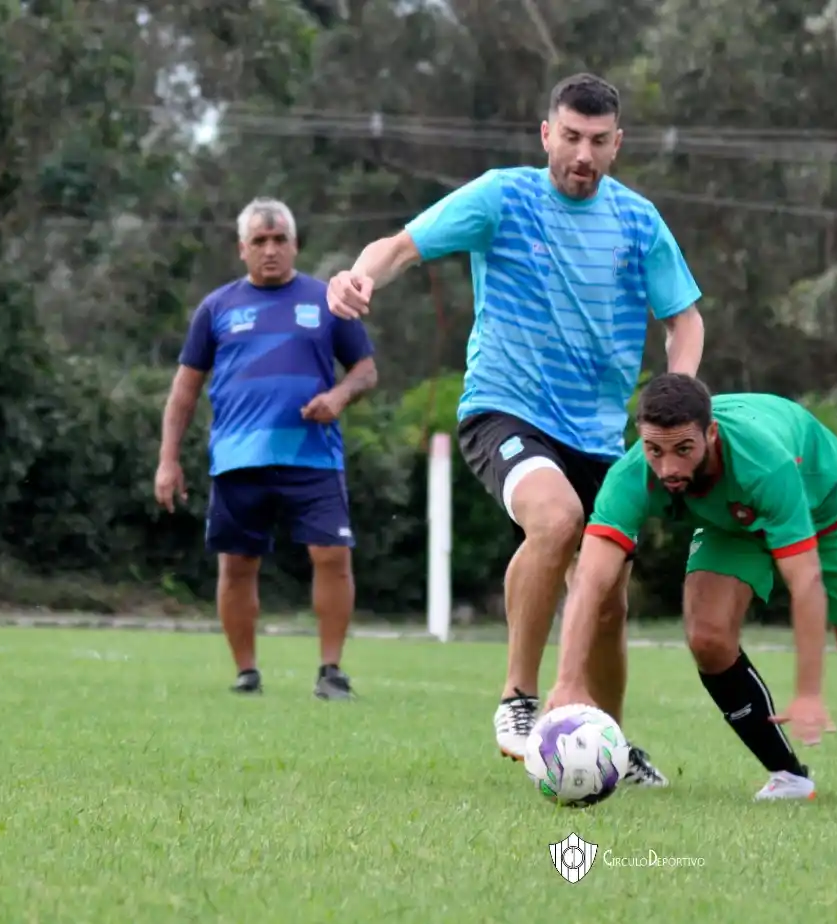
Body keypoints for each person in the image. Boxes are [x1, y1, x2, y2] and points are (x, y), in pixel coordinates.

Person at [326, 73, 703, 784]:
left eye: (597, 142)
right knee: (555, 521)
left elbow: (684, 318)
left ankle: (609, 740)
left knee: (607, 598)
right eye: (570, 138)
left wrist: (677, 392)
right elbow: (399, 246)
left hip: (598, 436)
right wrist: (357, 276)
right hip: (506, 409)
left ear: (617, 144)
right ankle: (519, 697)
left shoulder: (638, 222)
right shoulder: (504, 196)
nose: (582, 155)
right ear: (546, 136)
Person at [542, 374, 837, 800]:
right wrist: (568, 681)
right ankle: (789, 775)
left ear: (710, 434)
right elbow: (591, 580)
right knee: (707, 638)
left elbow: (804, 584)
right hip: (731, 521)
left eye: (683, 449)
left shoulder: (766, 465)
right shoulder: (632, 476)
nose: (668, 467)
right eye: (655, 450)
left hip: (825, 509)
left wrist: (807, 692)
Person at [155, 197, 379, 700]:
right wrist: (168, 460)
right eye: (260, 241)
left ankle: (331, 671)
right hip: (238, 458)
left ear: (296, 244)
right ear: (242, 249)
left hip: (313, 456)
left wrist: (338, 397)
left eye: (280, 240)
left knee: (332, 555)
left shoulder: (327, 301)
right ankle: (246, 673)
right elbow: (185, 390)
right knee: (236, 565)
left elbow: (365, 370)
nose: (271, 250)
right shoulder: (216, 308)